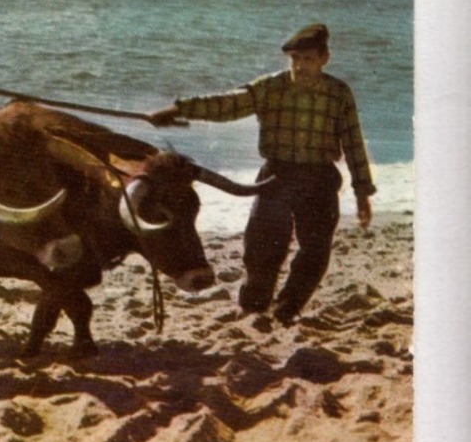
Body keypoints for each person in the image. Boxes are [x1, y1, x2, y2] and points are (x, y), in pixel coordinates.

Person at [148, 23, 375, 325]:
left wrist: (362, 193)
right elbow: (229, 104)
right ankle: (254, 307)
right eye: (294, 59)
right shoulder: (271, 86)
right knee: (261, 247)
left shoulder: (339, 94)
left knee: (315, 250)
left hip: (319, 179)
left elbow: (354, 144)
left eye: (307, 59)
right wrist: (178, 109)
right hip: (276, 175)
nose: (299, 66)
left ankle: (288, 307)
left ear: (324, 59)